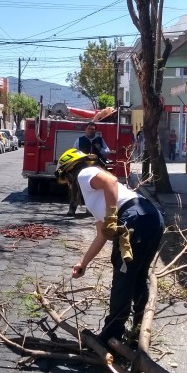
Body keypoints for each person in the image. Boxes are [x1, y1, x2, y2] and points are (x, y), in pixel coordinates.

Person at [55, 148, 164, 347]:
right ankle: (138, 332)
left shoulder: (84, 174)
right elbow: (102, 235)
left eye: (67, 181)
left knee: (123, 280)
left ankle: (109, 336)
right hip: (151, 218)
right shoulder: (95, 198)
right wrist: (83, 262)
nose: (69, 186)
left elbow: (110, 181)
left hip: (134, 218)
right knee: (138, 276)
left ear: (69, 172)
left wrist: (113, 216)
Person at [67, 122, 112, 216]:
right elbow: (73, 152)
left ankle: (90, 209)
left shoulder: (100, 140)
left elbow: (107, 152)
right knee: (76, 185)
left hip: (96, 167)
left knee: (94, 187)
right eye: (89, 129)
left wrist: (100, 149)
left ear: (95, 131)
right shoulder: (79, 140)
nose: (91, 131)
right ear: (85, 130)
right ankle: (72, 208)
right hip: (81, 167)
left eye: (93, 129)